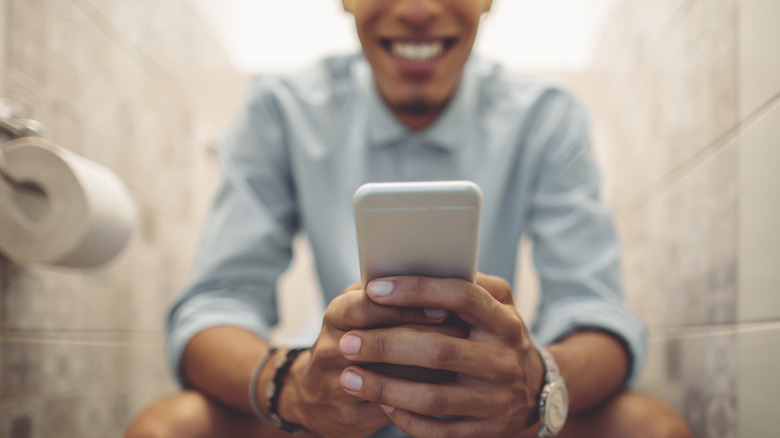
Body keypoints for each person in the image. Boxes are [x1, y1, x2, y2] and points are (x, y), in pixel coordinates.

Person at [125, 1, 694, 437]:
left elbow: (597, 314)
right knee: (166, 427)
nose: (419, 9)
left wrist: (534, 379)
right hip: (334, 391)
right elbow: (215, 306)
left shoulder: (548, 117)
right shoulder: (280, 109)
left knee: (654, 427)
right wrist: (291, 385)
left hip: (495, 400)